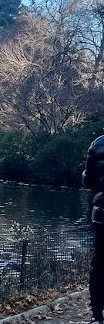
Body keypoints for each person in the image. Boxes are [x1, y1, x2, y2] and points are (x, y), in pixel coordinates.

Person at [83, 135, 104, 324]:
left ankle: (98, 316)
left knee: (99, 267)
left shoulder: (98, 144)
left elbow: (87, 181)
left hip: (102, 216)